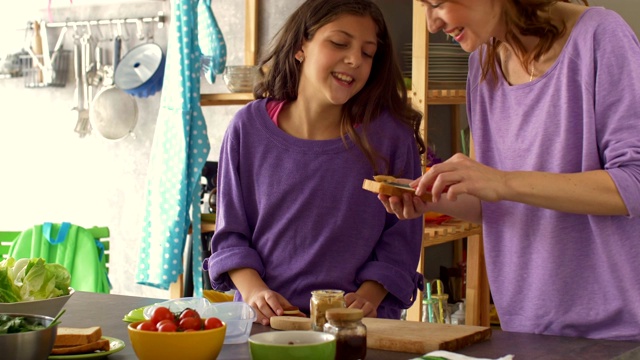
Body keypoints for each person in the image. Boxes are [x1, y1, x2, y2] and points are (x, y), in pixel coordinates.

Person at [380, 0, 640, 341]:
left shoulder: (601, 36)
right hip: (526, 326)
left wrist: (501, 181)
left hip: (617, 334)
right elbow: (497, 200)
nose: (431, 24)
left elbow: (633, 182)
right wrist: (432, 196)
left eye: (437, 3)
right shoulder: (482, 66)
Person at [203, 0, 426, 326]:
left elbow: (402, 240)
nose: (354, 59)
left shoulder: (392, 138)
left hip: (358, 328)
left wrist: (369, 296)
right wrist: (254, 293)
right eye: (339, 43)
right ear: (299, 47)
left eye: (368, 52)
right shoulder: (246, 128)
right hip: (264, 326)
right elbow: (231, 234)